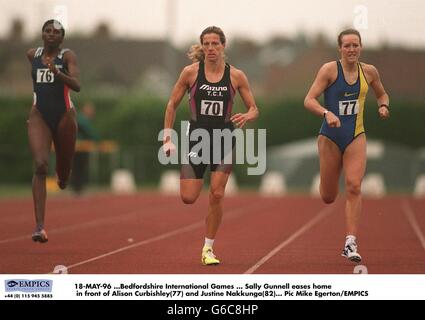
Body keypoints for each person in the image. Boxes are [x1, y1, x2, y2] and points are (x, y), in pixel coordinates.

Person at [163, 26, 259, 265]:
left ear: (223, 46)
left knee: (216, 193)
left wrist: (248, 116)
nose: (210, 48)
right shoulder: (190, 73)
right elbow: (172, 105)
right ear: (202, 46)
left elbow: (254, 108)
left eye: (215, 43)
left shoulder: (236, 76)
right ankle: (195, 176)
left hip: (224, 138)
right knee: (188, 197)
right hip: (197, 138)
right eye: (206, 44)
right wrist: (167, 137)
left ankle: (208, 248)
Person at [304, 28, 390, 263]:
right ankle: (328, 186)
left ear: (361, 47)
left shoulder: (369, 72)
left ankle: (350, 242)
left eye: (355, 45)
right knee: (328, 196)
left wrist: (383, 106)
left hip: (356, 136)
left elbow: (382, 94)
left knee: (353, 186)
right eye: (347, 45)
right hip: (330, 137)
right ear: (340, 48)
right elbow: (309, 100)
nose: (351, 49)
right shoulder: (330, 70)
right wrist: (326, 112)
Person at [27, 19, 80, 243]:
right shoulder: (32, 54)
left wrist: (58, 73)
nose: (51, 34)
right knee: (40, 165)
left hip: (64, 116)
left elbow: (77, 85)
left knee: (63, 177)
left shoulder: (67, 56)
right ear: (42, 34)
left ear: (62, 37)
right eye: (47, 30)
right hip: (39, 113)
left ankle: (64, 176)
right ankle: (40, 227)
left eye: (56, 32)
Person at [71, 102, 98, 195]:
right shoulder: (82, 119)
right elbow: (89, 133)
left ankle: (78, 188)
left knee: (78, 168)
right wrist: (96, 140)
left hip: (81, 147)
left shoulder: (81, 119)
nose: (92, 113)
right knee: (78, 168)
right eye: (90, 110)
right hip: (79, 148)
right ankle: (77, 188)